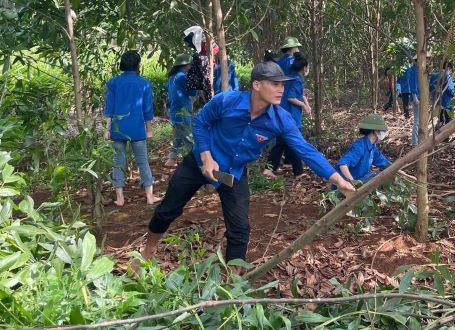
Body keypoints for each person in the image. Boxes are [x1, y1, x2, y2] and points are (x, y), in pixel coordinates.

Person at [140, 61, 356, 268]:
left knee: (240, 230)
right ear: (257, 85)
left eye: (282, 84)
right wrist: (206, 156)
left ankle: (233, 284)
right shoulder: (227, 101)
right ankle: (147, 252)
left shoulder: (281, 119)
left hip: (233, 172)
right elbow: (201, 123)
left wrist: (337, 179)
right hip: (199, 162)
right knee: (168, 210)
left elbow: (305, 150)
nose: (281, 89)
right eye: (275, 83)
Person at [103, 50, 159, 206]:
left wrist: (107, 129)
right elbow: (147, 109)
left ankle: (120, 198)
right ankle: (149, 196)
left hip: (118, 128)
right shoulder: (144, 84)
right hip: (137, 129)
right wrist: (149, 130)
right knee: (143, 161)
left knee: (118, 162)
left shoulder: (113, 82)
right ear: (137, 65)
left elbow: (110, 108)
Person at [266, 53, 312, 178]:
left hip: (285, 115)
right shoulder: (296, 80)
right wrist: (303, 105)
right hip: (290, 116)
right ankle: (298, 172)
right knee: (294, 142)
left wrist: (306, 104)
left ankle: (270, 169)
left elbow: (300, 94)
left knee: (282, 143)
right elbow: (291, 98)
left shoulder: (293, 77)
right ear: (304, 68)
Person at [337, 114, 392, 184]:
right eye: (383, 131)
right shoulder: (359, 146)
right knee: (377, 178)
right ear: (375, 131)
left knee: (380, 175)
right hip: (346, 183)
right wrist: (353, 183)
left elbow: (383, 162)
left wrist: (399, 169)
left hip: (361, 178)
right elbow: (343, 165)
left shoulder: (372, 146)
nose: (384, 133)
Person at [165, 54, 197, 168]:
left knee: (178, 136)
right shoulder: (182, 77)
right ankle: (195, 163)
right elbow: (193, 92)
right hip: (182, 111)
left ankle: (171, 159)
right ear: (186, 65)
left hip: (174, 111)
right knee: (189, 138)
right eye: (190, 64)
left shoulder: (172, 77)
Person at [430, 61, 455, 130]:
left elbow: (430, 88)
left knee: (440, 118)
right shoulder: (447, 76)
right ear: (448, 68)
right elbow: (450, 90)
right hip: (446, 102)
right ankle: (445, 137)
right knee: (448, 120)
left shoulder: (433, 75)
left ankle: (437, 135)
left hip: (437, 101)